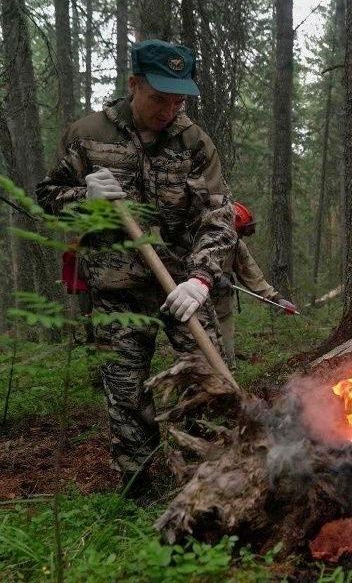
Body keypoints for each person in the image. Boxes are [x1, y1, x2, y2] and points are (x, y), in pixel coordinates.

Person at [36, 39, 237, 497]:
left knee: (209, 377)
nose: (170, 110)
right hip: (117, 291)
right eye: (160, 99)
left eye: (179, 100)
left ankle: (209, 479)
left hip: (181, 287)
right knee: (126, 393)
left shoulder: (195, 143)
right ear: (133, 85)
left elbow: (218, 218)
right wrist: (80, 197)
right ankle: (137, 488)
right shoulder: (87, 135)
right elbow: (48, 198)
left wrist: (201, 278)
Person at [212, 201, 295, 370]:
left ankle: (228, 389)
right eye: (241, 231)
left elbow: (251, 273)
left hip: (223, 310)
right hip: (198, 309)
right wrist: (213, 276)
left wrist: (277, 299)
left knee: (226, 359)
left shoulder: (237, 246)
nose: (241, 236)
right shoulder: (206, 241)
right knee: (201, 358)